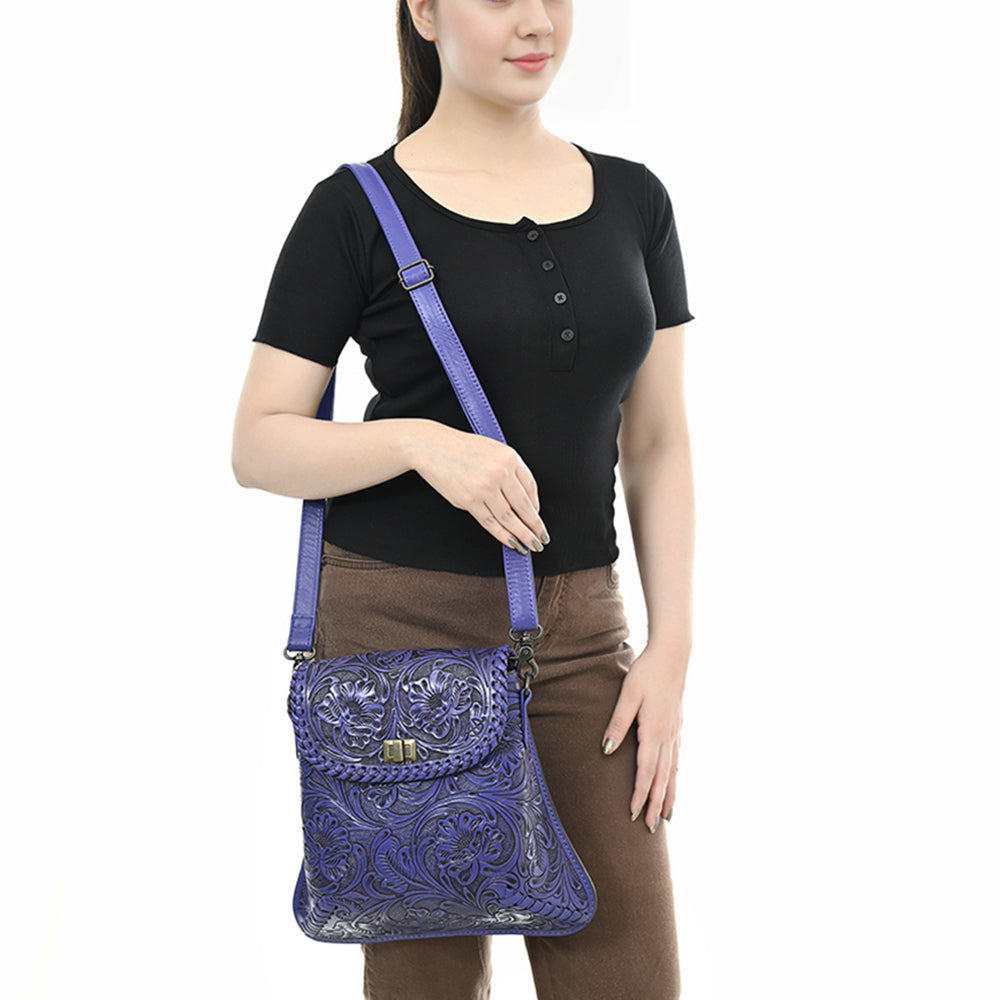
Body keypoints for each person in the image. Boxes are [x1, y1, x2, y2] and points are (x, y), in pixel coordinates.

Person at [232, 1, 695, 996]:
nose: (535, 21)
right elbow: (258, 443)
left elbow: (657, 443)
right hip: (399, 641)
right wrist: (420, 444)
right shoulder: (354, 209)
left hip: (581, 640)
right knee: (426, 984)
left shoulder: (635, 200)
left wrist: (671, 650)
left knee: (631, 973)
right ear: (426, 11)